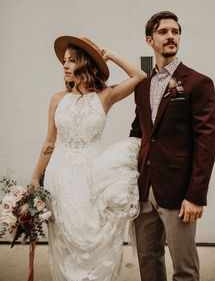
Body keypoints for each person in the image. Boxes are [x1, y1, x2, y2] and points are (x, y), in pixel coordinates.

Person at [29, 35, 146, 281]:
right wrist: (35, 177)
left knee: (93, 231)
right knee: (64, 237)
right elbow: (49, 142)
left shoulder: (105, 96)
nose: (65, 65)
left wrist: (109, 55)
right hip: (59, 175)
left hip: (93, 174)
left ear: (84, 63)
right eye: (64, 60)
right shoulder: (57, 99)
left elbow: (139, 76)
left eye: (71, 60)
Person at [130, 11, 215, 281]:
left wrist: (195, 195)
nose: (170, 36)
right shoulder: (142, 87)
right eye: (163, 32)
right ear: (149, 39)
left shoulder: (198, 83)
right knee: (148, 261)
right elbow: (139, 132)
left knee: (184, 267)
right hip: (145, 190)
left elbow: (206, 141)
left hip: (179, 193)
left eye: (175, 31)